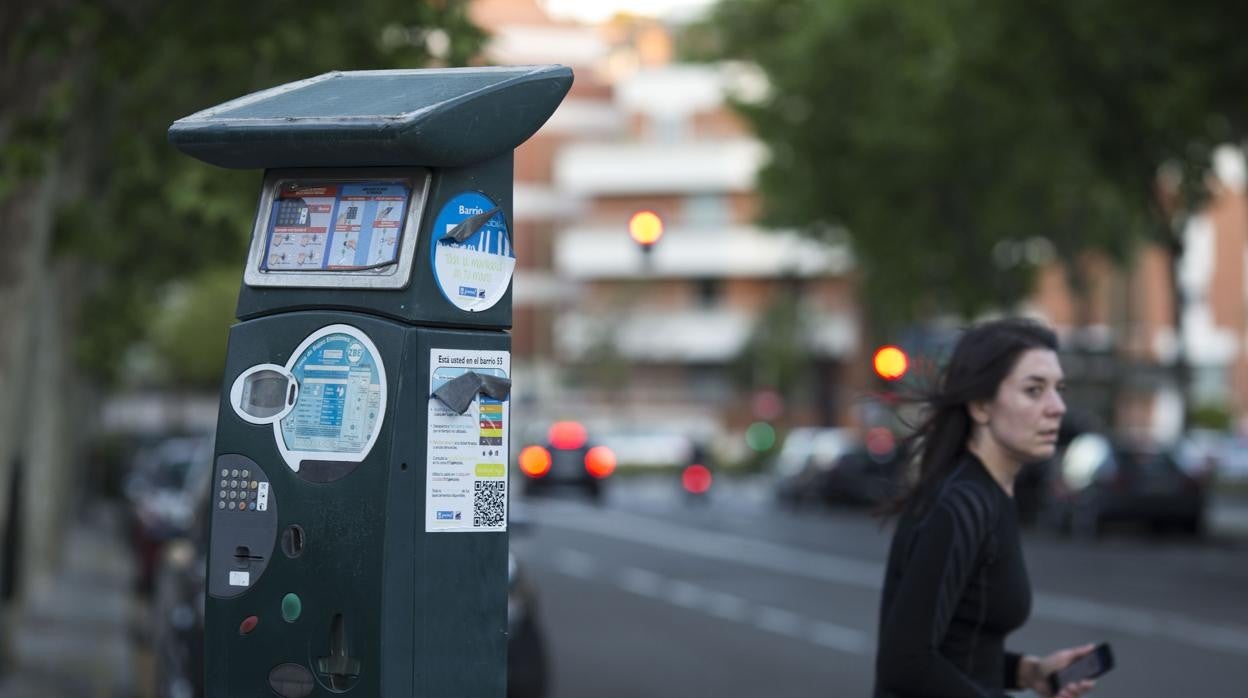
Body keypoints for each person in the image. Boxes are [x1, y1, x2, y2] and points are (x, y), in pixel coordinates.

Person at [874, 318, 1096, 698]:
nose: (1057, 407)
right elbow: (905, 663)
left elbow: (963, 647)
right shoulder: (961, 505)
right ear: (980, 406)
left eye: (1059, 389)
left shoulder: (991, 494)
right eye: (1034, 390)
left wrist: (1030, 673)